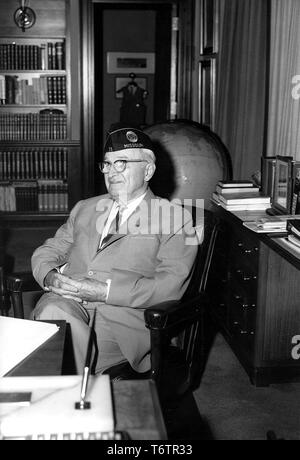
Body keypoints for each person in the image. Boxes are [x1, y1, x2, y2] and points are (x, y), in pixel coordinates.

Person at [31, 126, 198, 375]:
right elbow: (49, 250)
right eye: (107, 164)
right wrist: (50, 275)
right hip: (66, 303)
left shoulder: (174, 218)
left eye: (122, 163)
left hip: (119, 324)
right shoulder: (86, 208)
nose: (111, 172)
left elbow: (170, 286)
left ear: (148, 170)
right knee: (51, 314)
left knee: (47, 357)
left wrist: (105, 291)